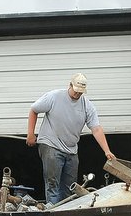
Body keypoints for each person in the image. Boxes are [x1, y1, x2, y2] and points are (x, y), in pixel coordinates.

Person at [26, 72, 116, 204]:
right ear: (70, 85)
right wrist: (30, 134)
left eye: (81, 92)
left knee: (70, 187)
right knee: (53, 184)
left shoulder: (87, 105)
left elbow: (96, 128)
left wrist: (107, 151)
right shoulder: (54, 97)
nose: (77, 94)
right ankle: (53, 215)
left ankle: (65, 215)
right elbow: (34, 110)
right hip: (51, 144)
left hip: (71, 149)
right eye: (76, 91)